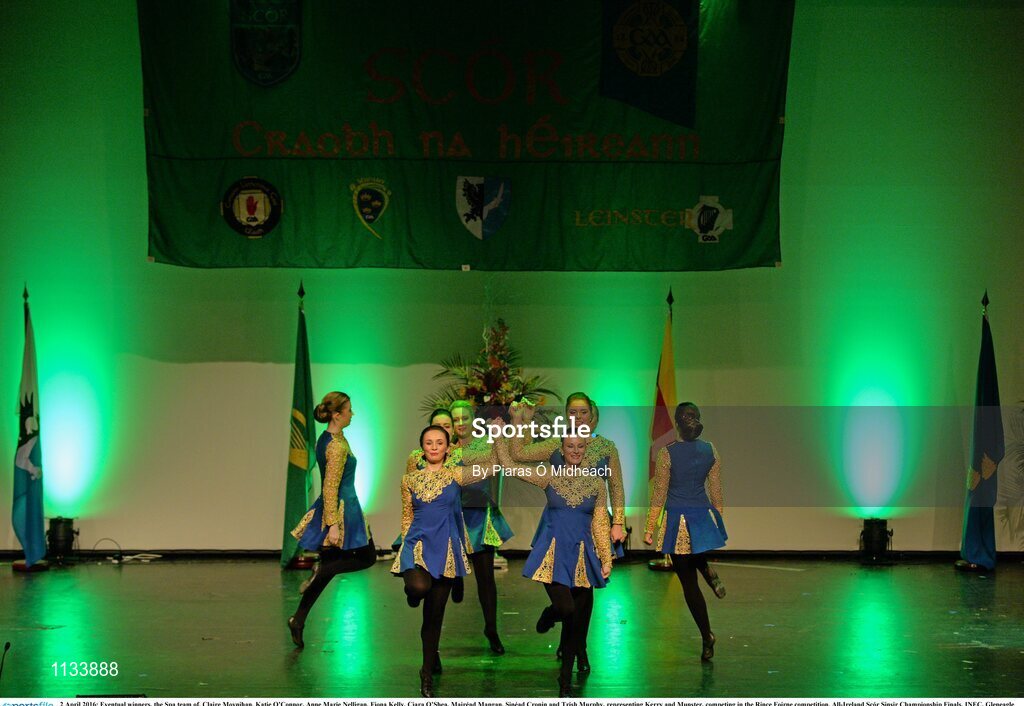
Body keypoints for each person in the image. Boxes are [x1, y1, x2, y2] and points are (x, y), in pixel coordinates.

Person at [499, 415, 613, 697]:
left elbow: (600, 523)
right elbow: (510, 467)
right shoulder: (549, 475)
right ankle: (550, 614)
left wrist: (606, 558)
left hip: (583, 556)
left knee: (577, 622)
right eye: (570, 446)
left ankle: (565, 681)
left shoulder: (596, 484)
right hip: (553, 554)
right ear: (562, 449)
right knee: (566, 610)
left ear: (586, 448)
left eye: (580, 446)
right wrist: (502, 436)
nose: (575, 451)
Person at [513, 393, 625, 672]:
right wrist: (521, 422)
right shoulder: (557, 443)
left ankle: (579, 648)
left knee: (585, 595)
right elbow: (519, 454)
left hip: (593, 522)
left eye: (583, 412)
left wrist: (618, 521)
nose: (578, 417)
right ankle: (557, 618)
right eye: (572, 412)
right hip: (561, 523)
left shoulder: (606, 447)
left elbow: (616, 486)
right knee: (567, 594)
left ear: (594, 415)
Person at [393, 424, 499, 697]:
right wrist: (405, 541)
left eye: (440, 442)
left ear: (448, 446)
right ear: (422, 447)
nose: (434, 447)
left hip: (446, 548)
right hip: (417, 544)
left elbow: (491, 467)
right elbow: (407, 516)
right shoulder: (409, 480)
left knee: (434, 616)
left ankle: (426, 672)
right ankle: (412, 592)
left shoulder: (457, 475)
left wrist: (498, 437)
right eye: (429, 442)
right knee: (418, 588)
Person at [287, 391, 375, 648]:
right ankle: (319, 573)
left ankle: (299, 619)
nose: (352, 414)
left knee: (328, 571)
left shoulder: (331, 437)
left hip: (342, 508)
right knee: (368, 557)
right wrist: (333, 525)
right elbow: (329, 486)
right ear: (337, 414)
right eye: (348, 410)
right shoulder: (335, 446)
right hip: (342, 512)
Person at [644, 402, 727, 661]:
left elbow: (659, 494)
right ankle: (707, 569)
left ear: (677, 425)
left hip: (678, 521)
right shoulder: (710, 450)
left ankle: (707, 636)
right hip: (701, 518)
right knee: (696, 552)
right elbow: (715, 490)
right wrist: (718, 518)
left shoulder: (668, 454)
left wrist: (649, 528)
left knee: (689, 585)